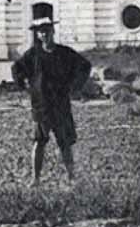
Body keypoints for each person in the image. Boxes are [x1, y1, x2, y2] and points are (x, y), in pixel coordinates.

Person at [10, 14, 90, 183]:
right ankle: (35, 179)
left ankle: (71, 177)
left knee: (64, 142)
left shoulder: (64, 53)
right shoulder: (33, 54)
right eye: (40, 32)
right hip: (42, 105)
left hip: (60, 104)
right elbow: (17, 68)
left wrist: (75, 86)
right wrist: (23, 84)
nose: (44, 35)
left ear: (53, 31)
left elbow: (84, 66)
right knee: (39, 142)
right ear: (38, 35)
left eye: (46, 31)